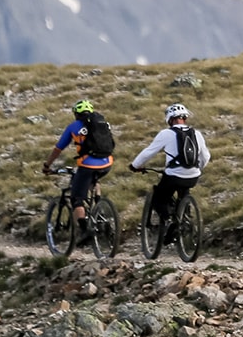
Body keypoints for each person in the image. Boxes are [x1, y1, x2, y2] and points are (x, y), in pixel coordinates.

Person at [129, 103, 210, 235]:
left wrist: (135, 165)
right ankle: (184, 218)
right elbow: (205, 156)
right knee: (184, 191)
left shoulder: (166, 133)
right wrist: (197, 169)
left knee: (158, 198)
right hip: (193, 175)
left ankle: (167, 221)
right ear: (185, 117)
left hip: (174, 175)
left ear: (169, 119)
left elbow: (148, 152)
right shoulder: (197, 133)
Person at [40, 100, 115, 230]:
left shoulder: (74, 127)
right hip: (107, 163)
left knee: (77, 199)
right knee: (94, 179)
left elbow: (58, 149)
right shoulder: (103, 124)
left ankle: (85, 230)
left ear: (76, 114)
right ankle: (98, 204)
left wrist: (47, 165)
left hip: (87, 165)